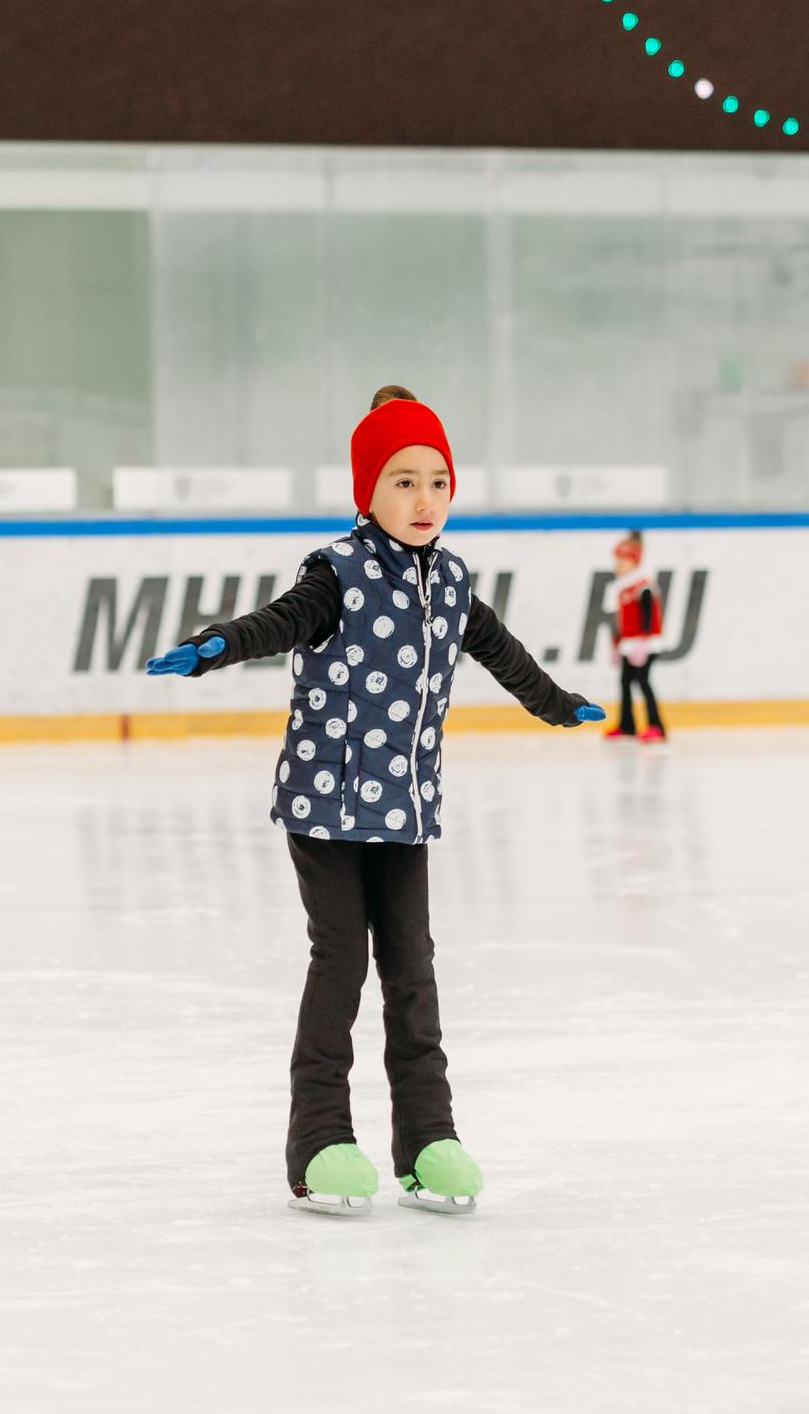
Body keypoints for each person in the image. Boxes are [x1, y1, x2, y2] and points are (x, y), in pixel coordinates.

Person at [144, 386, 605, 1217]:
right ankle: (319, 1141)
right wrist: (215, 645)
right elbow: (279, 623)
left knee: (413, 967)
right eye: (402, 481)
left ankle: (428, 1140)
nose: (424, 499)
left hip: (404, 808)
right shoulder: (339, 573)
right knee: (341, 961)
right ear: (368, 491)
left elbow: (505, 656)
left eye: (437, 480)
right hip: (326, 804)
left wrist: (556, 702)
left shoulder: (453, 582)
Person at [607, 530, 669, 746]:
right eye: (618, 562)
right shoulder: (623, 587)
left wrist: (643, 640)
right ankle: (627, 725)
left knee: (643, 681)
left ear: (634, 563)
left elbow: (648, 614)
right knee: (624, 682)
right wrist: (617, 644)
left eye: (623, 563)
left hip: (645, 644)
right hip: (629, 644)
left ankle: (657, 726)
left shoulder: (643, 585)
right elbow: (622, 620)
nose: (618, 567)